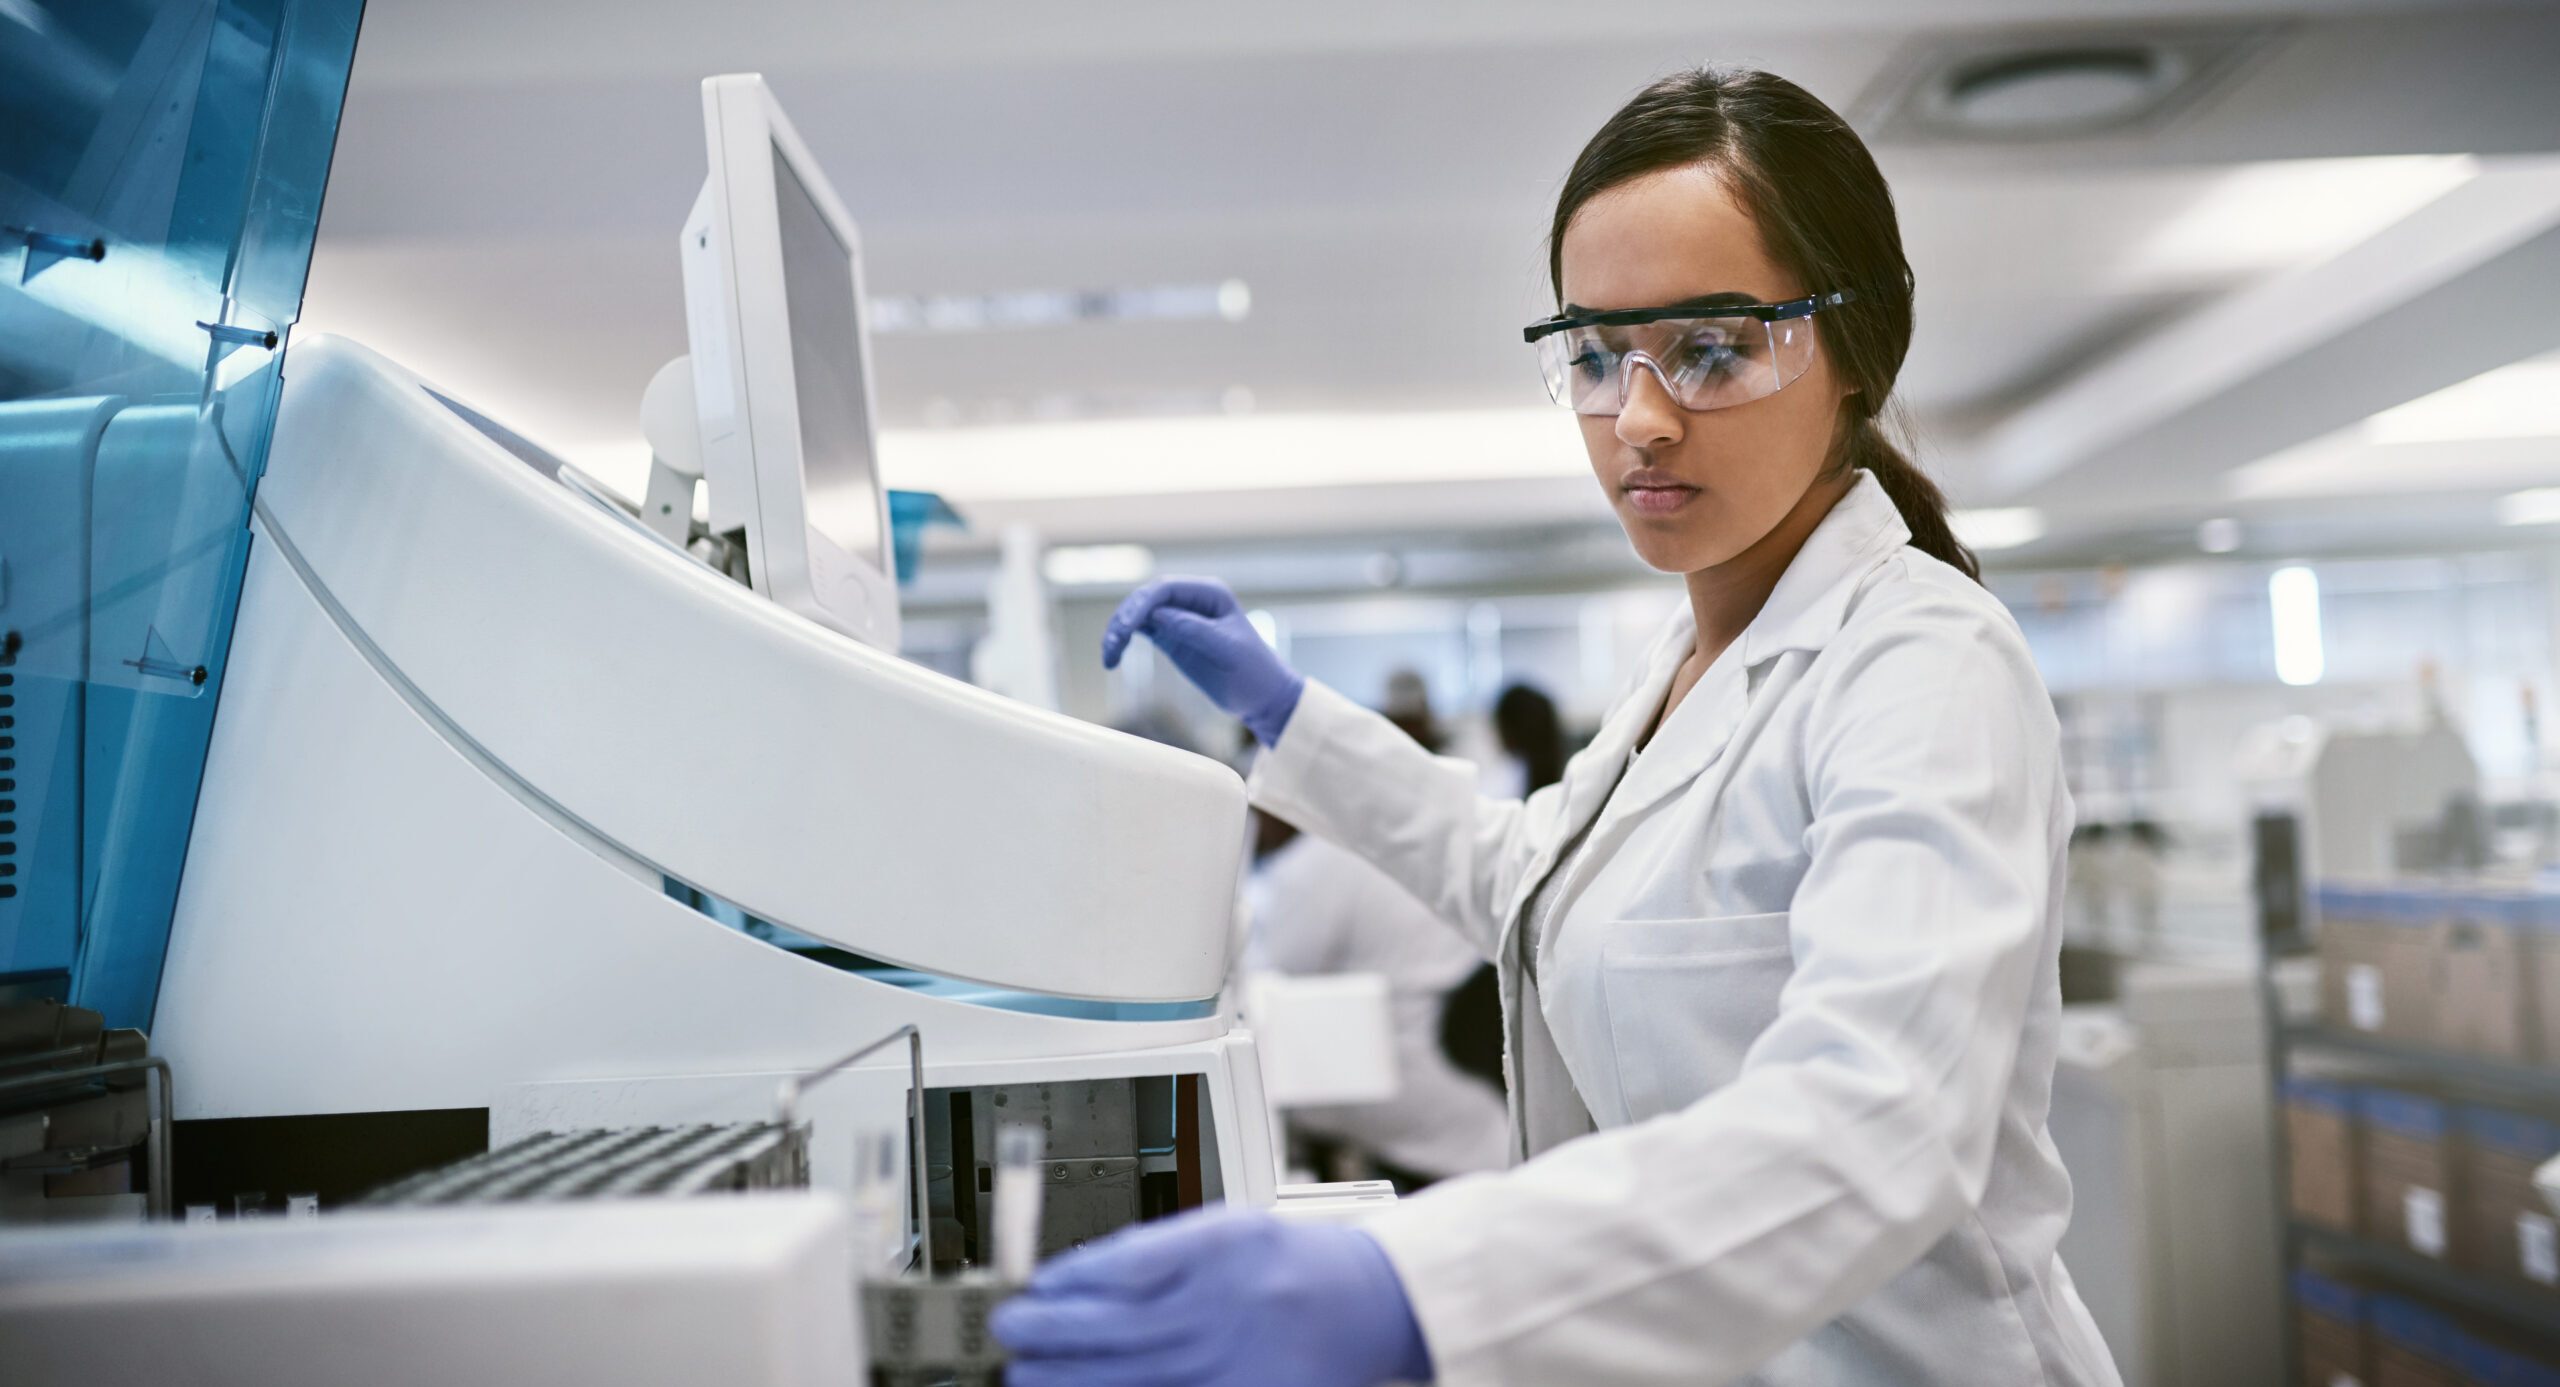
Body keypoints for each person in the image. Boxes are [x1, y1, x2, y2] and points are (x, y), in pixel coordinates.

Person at [993, 67, 2116, 1387]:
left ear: (1855, 348)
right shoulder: (1688, 664)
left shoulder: (1926, 667)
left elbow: (1880, 1123)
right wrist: (1290, 716)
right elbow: (1525, 883)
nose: (1638, 420)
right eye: (1595, 357)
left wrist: (1415, 1289)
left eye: (1711, 347)